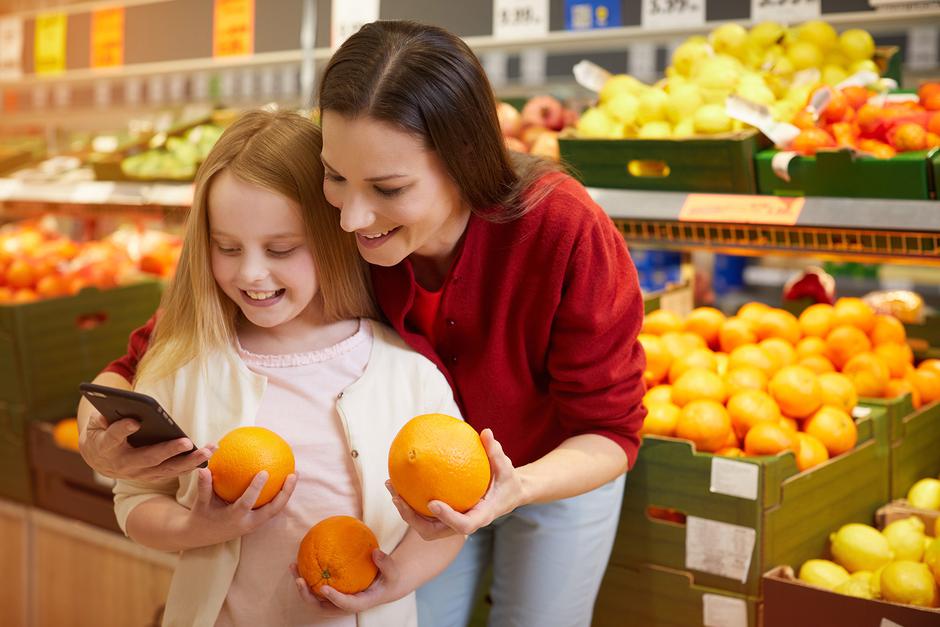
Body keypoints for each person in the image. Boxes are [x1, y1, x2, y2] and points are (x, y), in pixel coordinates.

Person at [81, 20, 647, 627]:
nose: (351, 217)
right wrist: (99, 436)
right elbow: (155, 349)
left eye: (388, 188)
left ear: (465, 161)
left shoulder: (562, 230)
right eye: (335, 176)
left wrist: (516, 488)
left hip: (550, 467)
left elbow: (609, 431)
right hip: (416, 480)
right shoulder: (338, 228)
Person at [107, 109, 464, 627]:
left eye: (281, 249)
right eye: (227, 247)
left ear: (335, 238)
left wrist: (396, 580)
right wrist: (195, 530)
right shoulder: (181, 366)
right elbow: (135, 496)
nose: (252, 272)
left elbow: (449, 518)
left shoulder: (408, 377)